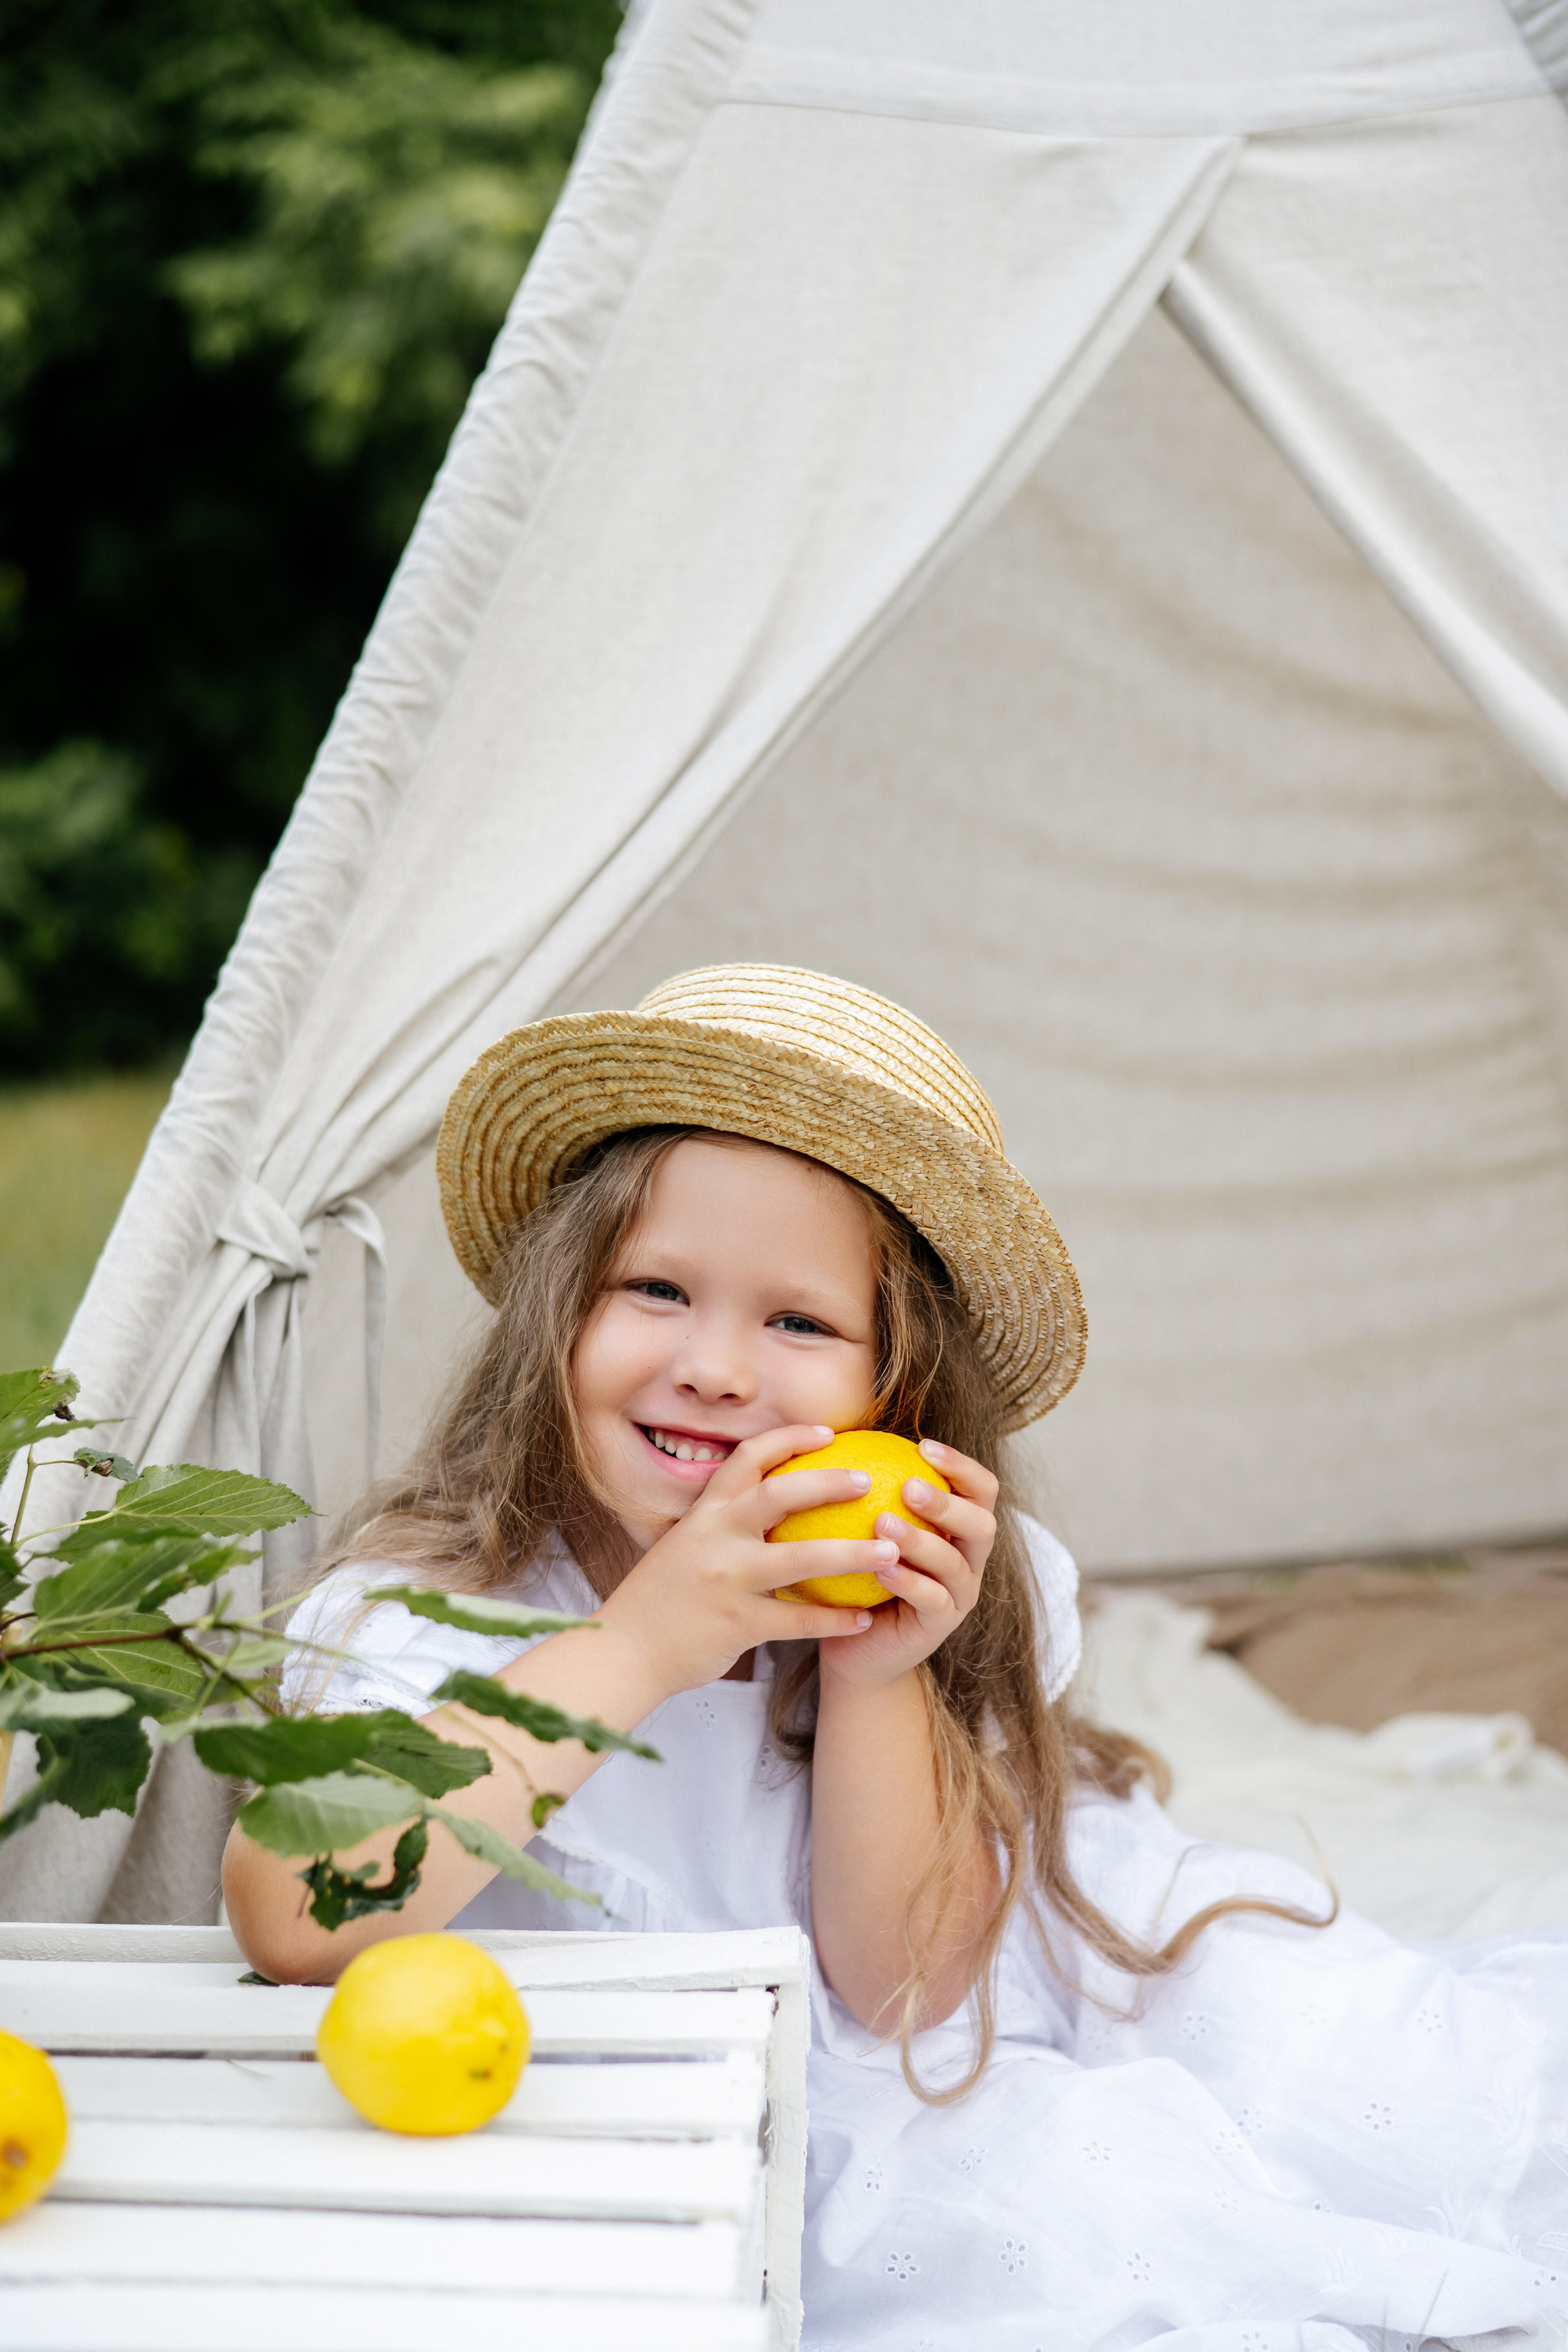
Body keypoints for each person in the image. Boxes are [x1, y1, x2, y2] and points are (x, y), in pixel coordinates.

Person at [225, 964, 1567, 2350]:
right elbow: (291, 1915)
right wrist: (643, 1644)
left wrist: (878, 1674)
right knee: (1081, 2251)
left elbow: (910, 1991)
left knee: (1402, 2094)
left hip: (983, 1987)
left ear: (894, 1392)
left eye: (797, 1322)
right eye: (656, 1290)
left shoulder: (916, 1593)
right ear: (556, 1314)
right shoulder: (430, 1605)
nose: (718, 1368)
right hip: (705, 2103)